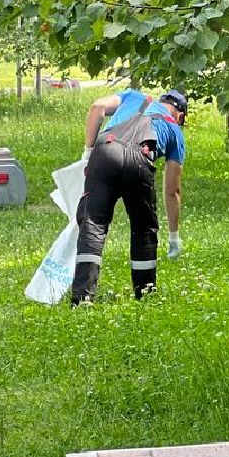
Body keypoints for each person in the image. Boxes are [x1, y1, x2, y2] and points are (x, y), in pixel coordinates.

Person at [71, 88, 187, 304]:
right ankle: (145, 295)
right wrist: (173, 235)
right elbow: (172, 191)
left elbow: (97, 108)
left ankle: (82, 299)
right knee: (143, 228)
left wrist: (88, 153)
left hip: (105, 149)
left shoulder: (133, 96)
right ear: (180, 116)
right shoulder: (175, 131)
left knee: (93, 224)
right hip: (140, 159)